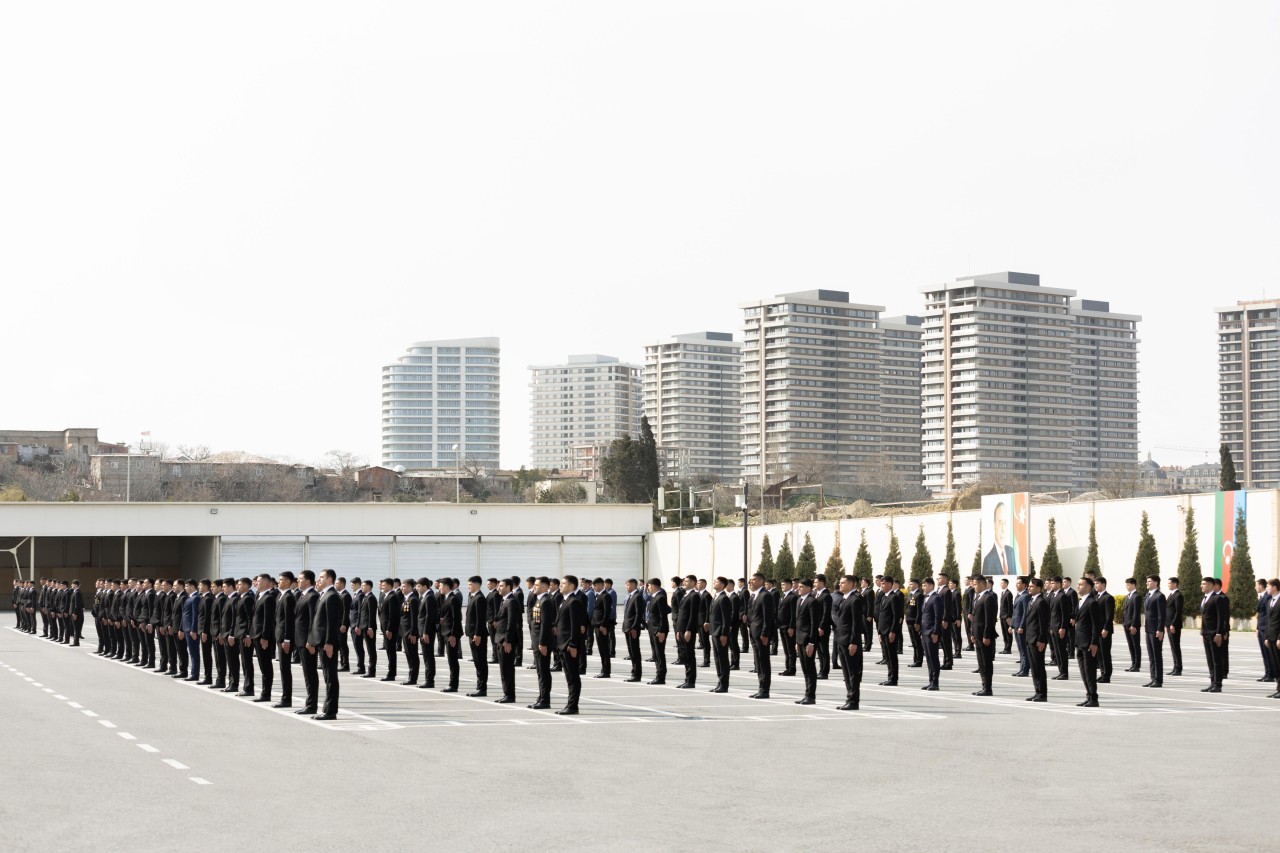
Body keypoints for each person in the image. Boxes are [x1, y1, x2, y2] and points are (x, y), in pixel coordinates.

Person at [311, 569, 343, 721]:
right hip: (322, 642)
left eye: (322, 577)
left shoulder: (332, 597)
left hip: (327, 643)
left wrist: (329, 642)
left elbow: (332, 623)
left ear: (330, 579)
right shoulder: (324, 595)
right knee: (327, 676)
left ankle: (330, 711)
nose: (319, 579)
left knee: (330, 677)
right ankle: (327, 708)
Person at [555, 575, 588, 715]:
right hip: (562, 644)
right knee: (569, 676)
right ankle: (570, 704)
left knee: (573, 676)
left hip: (569, 645)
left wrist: (573, 644)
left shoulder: (574, 601)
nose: (560, 585)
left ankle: (573, 706)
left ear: (572, 586)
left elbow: (575, 625)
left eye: (563, 583)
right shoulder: (564, 600)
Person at [833, 574, 864, 709]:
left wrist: (854, 642)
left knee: (853, 672)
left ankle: (853, 701)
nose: (840, 585)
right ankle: (849, 698)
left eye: (843, 583)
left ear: (851, 584)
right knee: (846, 672)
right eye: (840, 583)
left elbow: (856, 624)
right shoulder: (844, 598)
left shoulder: (855, 599)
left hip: (849, 641)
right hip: (841, 639)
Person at [294, 570, 320, 716]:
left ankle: (312, 705)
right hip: (301, 640)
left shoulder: (312, 596)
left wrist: (311, 641)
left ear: (308, 581)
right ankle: (309, 703)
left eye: (300, 579)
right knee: (306, 674)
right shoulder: (302, 595)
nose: (298, 581)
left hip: (307, 642)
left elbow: (313, 621)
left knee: (310, 674)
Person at [1073, 577, 1102, 707]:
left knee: (1090, 672)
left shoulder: (1092, 602)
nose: (1078, 587)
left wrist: (1094, 642)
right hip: (1079, 642)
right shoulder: (1080, 601)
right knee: (1083, 672)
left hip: (1088, 643)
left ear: (1088, 587)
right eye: (1078, 584)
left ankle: (1094, 698)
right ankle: (1088, 695)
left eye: (1080, 585)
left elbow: (1096, 624)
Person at [528, 577, 556, 708]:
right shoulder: (540, 600)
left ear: (545, 587)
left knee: (543, 671)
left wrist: (543, 643)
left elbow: (545, 625)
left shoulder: (545, 601)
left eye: (537, 585)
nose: (534, 587)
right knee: (540, 671)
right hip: (537, 641)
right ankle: (541, 696)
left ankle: (545, 700)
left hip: (541, 642)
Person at [493, 578, 522, 703]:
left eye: (501, 586)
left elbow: (512, 623)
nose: (498, 588)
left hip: (506, 640)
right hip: (500, 638)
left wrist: (508, 640)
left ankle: (510, 695)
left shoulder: (511, 602)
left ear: (509, 587)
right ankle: (507, 693)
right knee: (503, 668)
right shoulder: (504, 600)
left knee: (507, 668)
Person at [747, 572, 775, 699]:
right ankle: (760, 687)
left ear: (761, 581)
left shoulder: (765, 596)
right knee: (758, 661)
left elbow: (768, 617)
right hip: (753, 632)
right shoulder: (754, 595)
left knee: (763, 661)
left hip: (761, 634)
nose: (751, 582)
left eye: (754, 580)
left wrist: (765, 633)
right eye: (751, 580)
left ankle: (765, 689)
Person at [250, 574, 277, 703]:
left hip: (262, 637)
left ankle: (266, 694)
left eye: (259, 581)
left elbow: (268, 620)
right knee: (262, 666)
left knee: (266, 666)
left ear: (266, 583)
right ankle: (264, 692)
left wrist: (265, 637)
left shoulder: (268, 598)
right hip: (256, 635)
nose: (256, 583)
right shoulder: (259, 596)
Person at [793, 579, 819, 705]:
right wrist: (796, 641)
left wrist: (812, 642)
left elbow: (814, 624)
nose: (799, 588)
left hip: (808, 639)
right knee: (804, 668)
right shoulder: (799, 600)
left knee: (810, 668)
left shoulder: (812, 601)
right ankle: (806, 694)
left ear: (809, 589)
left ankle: (811, 695)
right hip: (800, 639)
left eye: (802, 587)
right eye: (799, 587)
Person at [1024, 577, 1049, 702]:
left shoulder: (1041, 602)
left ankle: (1042, 693)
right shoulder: (1032, 600)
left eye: (1031, 586)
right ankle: (1037, 691)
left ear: (1039, 588)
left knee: (1039, 667)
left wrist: (1041, 640)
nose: (1029, 588)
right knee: (1033, 667)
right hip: (1030, 639)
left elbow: (1043, 623)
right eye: (1029, 586)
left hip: (1037, 640)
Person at [273, 571, 296, 709]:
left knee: (285, 668)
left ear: (287, 582)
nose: (278, 581)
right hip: (279, 636)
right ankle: (284, 696)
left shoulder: (288, 597)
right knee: (282, 668)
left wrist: (287, 639)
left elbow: (288, 620)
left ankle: (286, 698)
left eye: (281, 580)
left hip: (284, 638)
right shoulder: (280, 596)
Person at [464, 576, 490, 697]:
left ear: (476, 585)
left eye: (470, 584)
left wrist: (477, 634)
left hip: (477, 635)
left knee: (480, 662)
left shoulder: (479, 598)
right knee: (477, 662)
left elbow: (480, 619)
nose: (468, 586)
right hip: (473, 634)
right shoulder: (473, 597)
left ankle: (482, 688)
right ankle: (479, 686)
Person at [972, 576, 997, 696]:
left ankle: (988, 688)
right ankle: (984, 686)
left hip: (984, 636)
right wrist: (973, 634)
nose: (973, 586)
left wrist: (986, 635)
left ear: (982, 584)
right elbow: (975, 619)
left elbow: (989, 619)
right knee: (981, 662)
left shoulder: (988, 598)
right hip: (978, 635)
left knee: (986, 662)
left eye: (975, 584)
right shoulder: (978, 597)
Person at [675, 575, 701, 688]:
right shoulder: (685, 595)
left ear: (693, 583)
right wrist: (678, 630)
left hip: (687, 629)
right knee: (684, 655)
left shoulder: (694, 595)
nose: (684, 583)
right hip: (681, 629)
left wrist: (689, 630)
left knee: (689, 655)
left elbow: (693, 615)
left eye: (687, 581)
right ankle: (687, 678)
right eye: (684, 581)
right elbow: (681, 614)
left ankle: (691, 680)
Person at [876, 575, 902, 687]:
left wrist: (893, 631)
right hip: (883, 630)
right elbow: (881, 615)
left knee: (892, 656)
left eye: (884, 583)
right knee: (887, 656)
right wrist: (879, 632)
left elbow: (896, 616)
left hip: (890, 631)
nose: (882, 585)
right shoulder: (883, 597)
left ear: (891, 584)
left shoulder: (894, 597)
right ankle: (889, 677)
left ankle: (893, 678)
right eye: (881, 583)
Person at [1200, 576, 1225, 692]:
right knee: (1210, 660)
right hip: (1205, 633)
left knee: (1216, 660)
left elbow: (1221, 617)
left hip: (1214, 633)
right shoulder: (1204, 598)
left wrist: (1219, 633)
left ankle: (1218, 684)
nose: (1202, 586)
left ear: (1211, 585)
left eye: (1204, 584)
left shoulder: (1217, 598)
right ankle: (1212, 682)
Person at [707, 577, 732, 693]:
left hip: (720, 633)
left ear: (722, 585)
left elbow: (726, 619)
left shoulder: (724, 599)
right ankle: (720, 682)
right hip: (714, 632)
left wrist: (724, 634)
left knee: (722, 659)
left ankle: (724, 684)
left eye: (716, 582)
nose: (714, 583)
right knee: (717, 659)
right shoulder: (716, 597)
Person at [919, 576, 943, 692]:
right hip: (924, 632)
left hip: (931, 632)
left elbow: (938, 617)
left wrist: (935, 632)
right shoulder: (926, 598)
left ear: (931, 586)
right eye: (922, 585)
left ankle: (935, 682)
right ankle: (930, 681)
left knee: (933, 658)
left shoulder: (936, 598)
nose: (923, 587)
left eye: (925, 585)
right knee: (928, 658)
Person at [439, 578, 463, 692]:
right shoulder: (446, 598)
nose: (439, 588)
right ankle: (452, 683)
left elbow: (457, 618)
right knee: (450, 659)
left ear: (446, 587)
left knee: (453, 660)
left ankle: (453, 685)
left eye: (440, 586)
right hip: (446, 632)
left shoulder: (453, 599)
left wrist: (453, 634)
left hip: (451, 633)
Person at [1143, 574, 1166, 688]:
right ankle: (1153, 678)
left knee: (1157, 655)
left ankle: (1158, 679)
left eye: (1149, 581)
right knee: (1151, 655)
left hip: (1156, 630)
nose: (1147, 583)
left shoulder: (1159, 596)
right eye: (1147, 581)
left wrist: (1160, 629)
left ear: (1156, 583)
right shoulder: (1148, 595)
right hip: (1148, 629)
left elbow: (1162, 615)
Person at [645, 578, 669, 686]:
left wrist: (661, 631)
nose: (647, 588)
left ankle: (661, 676)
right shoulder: (654, 597)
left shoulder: (660, 598)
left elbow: (662, 616)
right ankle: (658, 675)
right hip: (653, 629)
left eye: (648, 586)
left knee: (659, 654)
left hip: (658, 630)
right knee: (656, 654)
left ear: (653, 586)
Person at [982, 501, 1016, 576]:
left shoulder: (1011, 552)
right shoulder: (988, 560)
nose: (1003, 530)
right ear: (994, 525)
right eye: (1000, 523)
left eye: (1005, 523)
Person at [621, 578, 645, 682]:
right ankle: (634, 672)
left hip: (632, 628)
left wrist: (635, 627)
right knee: (631, 652)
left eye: (627, 585)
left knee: (635, 652)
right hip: (627, 627)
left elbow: (638, 614)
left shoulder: (637, 597)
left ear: (633, 585)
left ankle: (637, 674)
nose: (626, 587)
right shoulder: (630, 596)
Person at [378, 578, 402, 683]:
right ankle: (390, 671)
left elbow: (393, 615)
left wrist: (389, 629)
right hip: (385, 628)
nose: (382, 587)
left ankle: (391, 673)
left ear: (389, 586)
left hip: (389, 629)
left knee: (391, 651)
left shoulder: (392, 597)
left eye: (384, 585)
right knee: (388, 651)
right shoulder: (385, 596)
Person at [416, 577, 438, 689]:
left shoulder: (429, 597)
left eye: (419, 586)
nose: (417, 588)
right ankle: (428, 679)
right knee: (426, 655)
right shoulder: (424, 597)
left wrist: (425, 632)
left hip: (427, 632)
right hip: (423, 631)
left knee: (428, 656)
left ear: (425, 586)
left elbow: (429, 616)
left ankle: (429, 680)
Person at [591, 578, 614, 679]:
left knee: (604, 649)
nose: (594, 587)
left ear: (600, 585)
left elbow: (607, 612)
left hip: (601, 626)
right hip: (597, 625)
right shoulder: (599, 595)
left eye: (595, 585)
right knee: (601, 649)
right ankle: (603, 669)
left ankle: (606, 671)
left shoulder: (605, 596)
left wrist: (604, 625)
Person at [399, 578, 421, 686]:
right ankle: (411, 676)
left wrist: (413, 633)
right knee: (408, 655)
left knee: (412, 655)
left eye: (403, 586)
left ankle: (413, 678)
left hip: (409, 632)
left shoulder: (413, 599)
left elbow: (414, 618)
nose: (401, 589)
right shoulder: (406, 599)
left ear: (409, 587)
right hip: (405, 632)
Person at [776, 578, 798, 677]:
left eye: (784, 585)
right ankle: (787, 668)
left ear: (789, 585)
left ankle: (791, 669)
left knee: (790, 649)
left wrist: (791, 627)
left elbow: (794, 614)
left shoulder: (793, 597)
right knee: (786, 649)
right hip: (782, 626)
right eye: (781, 585)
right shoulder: (783, 596)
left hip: (788, 627)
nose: (782, 587)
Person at [813, 574, 833, 679]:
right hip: (816, 626)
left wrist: (821, 626)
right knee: (819, 651)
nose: (814, 584)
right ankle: (821, 669)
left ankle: (825, 671)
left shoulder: (826, 596)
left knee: (823, 649)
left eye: (816, 582)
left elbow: (826, 613)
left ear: (821, 582)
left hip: (823, 627)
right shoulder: (816, 594)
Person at [1095, 577, 1114, 683]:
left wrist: (1106, 628)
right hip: (1097, 630)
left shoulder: (1108, 598)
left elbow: (1109, 616)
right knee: (1099, 653)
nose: (1095, 586)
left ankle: (1107, 675)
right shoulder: (1096, 597)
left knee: (1105, 653)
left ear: (1103, 584)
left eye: (1097, 583)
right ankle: (1102, 673)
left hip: (1104, 630)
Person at [358, 579, 378, 679]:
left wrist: (370, 627)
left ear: (369, 587)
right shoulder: (365, 597)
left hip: (369, 627)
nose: (362, 587)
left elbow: (372, 614)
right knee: (369, 648)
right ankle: (370, 670)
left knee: (371, 649)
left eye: (364, 585)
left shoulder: (371, 598)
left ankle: (372, 670)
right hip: (364, 626)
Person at [1122, 578, 1143, 672]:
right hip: (1126, 624)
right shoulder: (1127, 596)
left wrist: (1134, 625)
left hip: (1133, 625)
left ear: (1133, 585)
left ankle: (1137, 665)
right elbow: (1125, 611)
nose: (1126, 587)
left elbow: (1136, 612)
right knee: (1130, 645)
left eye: (1128, 585)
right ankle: (1133, 663)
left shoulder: (1137, 596)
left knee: (1135, 645)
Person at [1256, 579, 1275, 683]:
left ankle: (1271, 674)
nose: (1255, 587)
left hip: (1265, 628)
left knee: (1268, 653)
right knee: (1264, 653)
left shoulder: (1267, 597)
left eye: (1257, 585)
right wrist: (1257, 628)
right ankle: (1267, 673)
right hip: (1261, 627)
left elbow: (1268, 615)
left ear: (1261, 586)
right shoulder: (1263, 597)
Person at [1011, 576, 1030, 677]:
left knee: (1023, 649)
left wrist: (1022, 626)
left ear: (1024, 585)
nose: (1016, 585)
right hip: (1016, 625)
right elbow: (1015, 613)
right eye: (1016, 583)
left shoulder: (1026, 596)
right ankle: (1022, 668)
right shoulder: (1018, 596)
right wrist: (1012, 625)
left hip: (1021, 627)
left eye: (1018, 583)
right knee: (1020, 649)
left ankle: (1025, 669)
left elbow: (1025, 613)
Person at [1265, 579, 1280, 699]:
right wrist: (1266, 637)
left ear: (1275, 587)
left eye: (1268, 586)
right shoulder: (1269, 601)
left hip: (1278, 637)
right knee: (1275, 664)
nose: (1267, 588)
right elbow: (1268, 621)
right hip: (1270, 636)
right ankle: (1278, 688)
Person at [1166, 577, 1184, 676]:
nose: (1168, 585)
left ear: (1175, 584)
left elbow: (1178, 611)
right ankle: (1175, 666)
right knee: (1173, 647)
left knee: (1176, 646)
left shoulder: (1178, 596)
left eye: (1170, 583)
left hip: (1174, 625)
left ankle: (1178, 668)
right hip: (1169, 625)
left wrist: (1173, 624)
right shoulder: (1171, 595)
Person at [347, 577, 365, 674]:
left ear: (358, 584)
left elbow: (359, 612)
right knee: (356, 647)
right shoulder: (355, 595)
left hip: (356, 625)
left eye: (353, 585)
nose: (351, 587)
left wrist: (358, 625)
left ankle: (361, 667)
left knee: (359, 647)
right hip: (353, 624)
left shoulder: (360, 595)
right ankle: (360, 666)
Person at [335, 577, 352, 673]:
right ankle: (341, 663)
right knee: (338, 645)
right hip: (337, 624)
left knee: (342, 645)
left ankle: (345, 664)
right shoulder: (339, 595)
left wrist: (344, 624)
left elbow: (346, 612)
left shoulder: (346, 595)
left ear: (342, 584)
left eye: (337, 583)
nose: (335, 585)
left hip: (342, 624)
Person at [998, 578, 1014, 654]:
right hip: (1002, 616)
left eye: (1002, 583)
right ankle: (1005, 647)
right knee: (1004, 633)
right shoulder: (1003, 593)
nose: (1000, 584)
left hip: (1006, 617)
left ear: (1006, 584)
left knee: (1008, 633)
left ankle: (1008, 648)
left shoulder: (1008, 593)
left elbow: (1010, 606)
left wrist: (1009, 617)